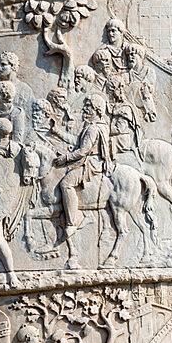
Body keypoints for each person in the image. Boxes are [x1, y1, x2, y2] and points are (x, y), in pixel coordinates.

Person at [55, 93, 111, 268]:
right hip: (89, 159)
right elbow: (78, 143)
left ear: (96, 110)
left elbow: (83, 151)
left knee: (66, 183)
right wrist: (57, 131)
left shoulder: (93, 128)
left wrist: (64, 158)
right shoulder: (93, 126)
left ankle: (72, 221)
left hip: (91, 163)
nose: (84, 109)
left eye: (88, 107)